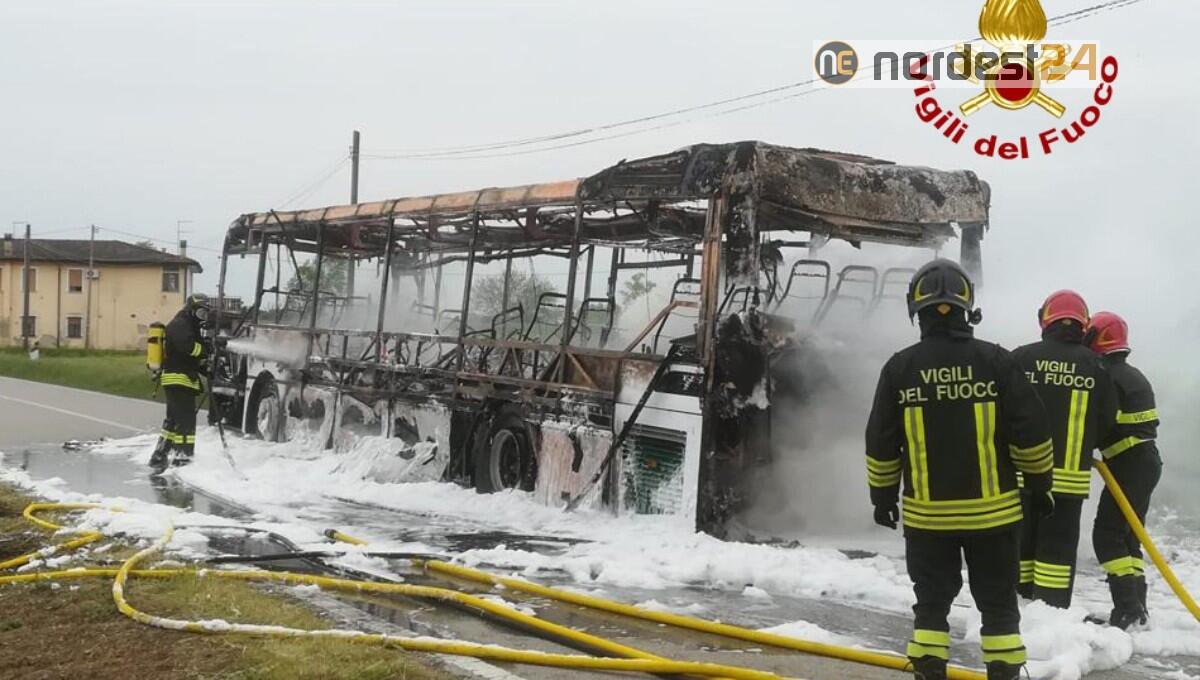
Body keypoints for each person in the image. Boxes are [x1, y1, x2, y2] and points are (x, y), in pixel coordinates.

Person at [866, 259, 1055, 680]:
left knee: (931, 605)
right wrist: (1041, 485)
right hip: (995, 517)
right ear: (968, 308)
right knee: (999, 608)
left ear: (917, 310)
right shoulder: (997, 362)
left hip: (928, 519)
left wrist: (882, 497)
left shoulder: (900, 368)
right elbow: (1031, 433)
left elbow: (881, 443)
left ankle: (929, 672)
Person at [1011, 291, 1117, 608]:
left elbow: (1001, 412)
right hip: (1068, 484)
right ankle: (1052, 615)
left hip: (1021, 477)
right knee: (1056, 554)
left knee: (1021, 546)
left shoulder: (1020, 358)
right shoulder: (1097, 366)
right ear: (1083, 324)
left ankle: (1017, 608)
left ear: (1045, 319)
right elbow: (1108, 420)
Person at [1087, 311, 1162, 629]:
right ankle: (1136, 610)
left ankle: (1128, 609)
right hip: (1144, 462)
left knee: (1106, 536)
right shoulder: (1133, 374)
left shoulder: (1106, 375)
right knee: (1129, 536)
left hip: (1129, 463)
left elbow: (1100, 421)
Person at [149, 294, 212, 474]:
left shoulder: (188, 325)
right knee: (186, 420)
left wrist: (204, 364)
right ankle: (182, 457)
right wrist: (206, 351)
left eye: (205, 314)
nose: (202, 317)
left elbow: (189, 355)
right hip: (178, 379)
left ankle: (160, 454)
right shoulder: (180, 324)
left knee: (174, 419)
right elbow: (188, 347)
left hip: (182, 378)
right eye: (200, 312)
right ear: (191, 309)